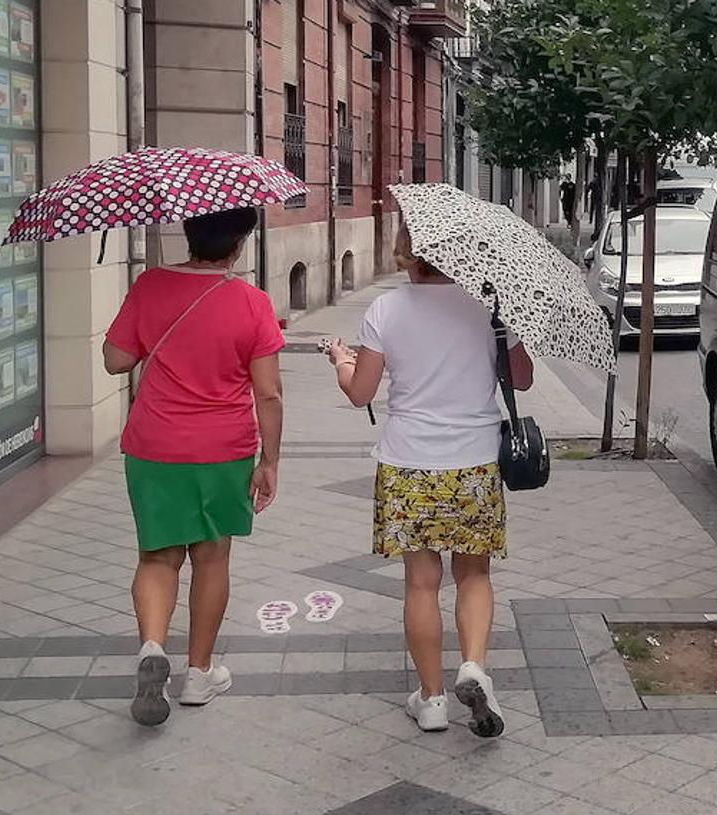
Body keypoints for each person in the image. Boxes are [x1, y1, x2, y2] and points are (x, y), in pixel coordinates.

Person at [324, 225, 533, 738]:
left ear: (406, 252)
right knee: (474, 576)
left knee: (420, 583)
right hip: (475, 463)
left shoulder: (386, 311)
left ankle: (433, 700)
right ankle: (474, 667)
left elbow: (361, 393)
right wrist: (510, 325)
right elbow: (522, 379)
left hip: (408, 463)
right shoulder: (489, 308)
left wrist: (341, 362)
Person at [102, 207, 285, 727]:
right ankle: (199, 674)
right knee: (212, 559)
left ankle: (152, 647)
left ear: (188, 234)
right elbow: (268, 393)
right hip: (222, 450)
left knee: (157, 557)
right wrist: (269, 462)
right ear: (239, 245)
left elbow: (115, 360)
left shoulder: (150, 285)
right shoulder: (252, 303)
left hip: (153, 445)